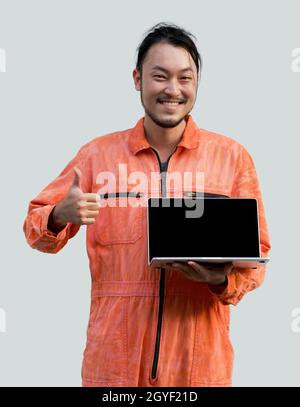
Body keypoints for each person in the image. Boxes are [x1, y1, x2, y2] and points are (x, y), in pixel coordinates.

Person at [23, 22, 271, 387]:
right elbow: (34, 228)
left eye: (185, 78)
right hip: (113, 366)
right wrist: (60, 215)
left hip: (199, 368)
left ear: (197, 82)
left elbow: (257, 254)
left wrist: (220, 279)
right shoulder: (97, 156)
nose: (173, 90)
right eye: (160, 76)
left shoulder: (231, 158)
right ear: (138, 79)